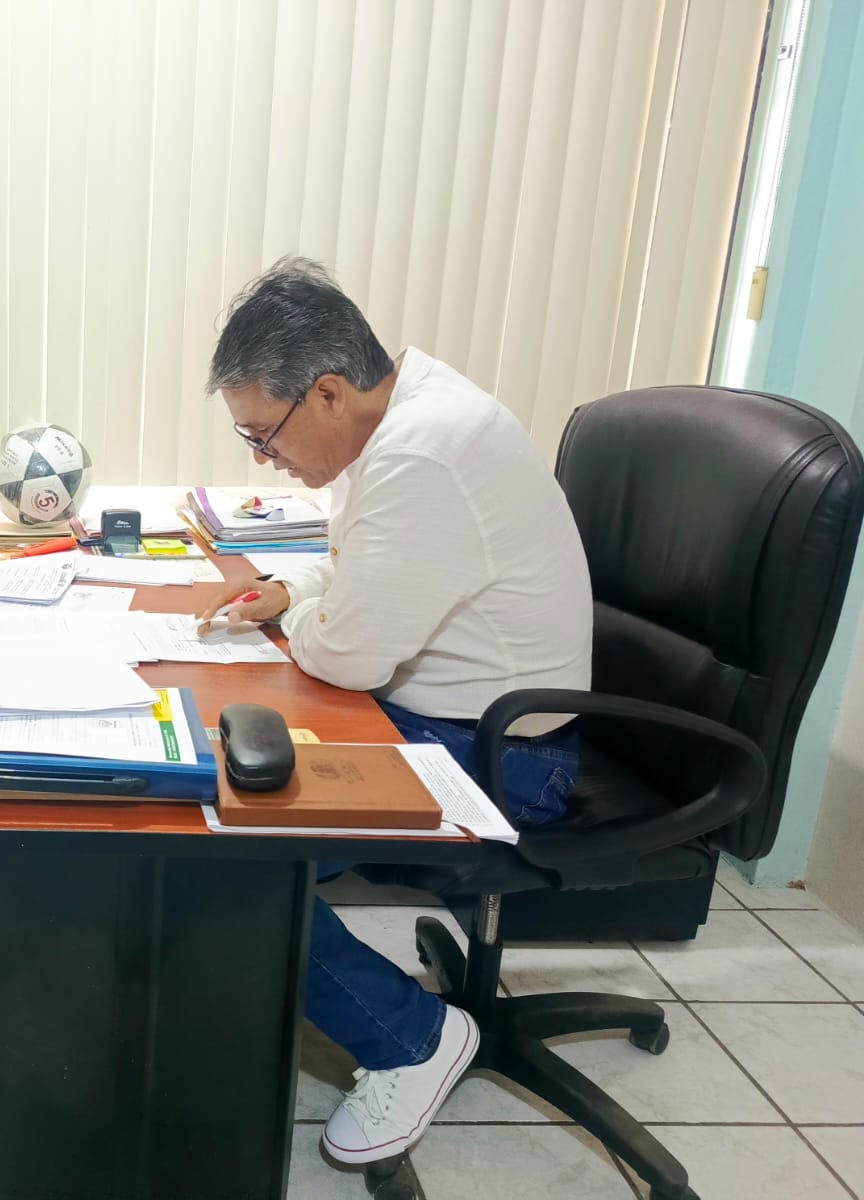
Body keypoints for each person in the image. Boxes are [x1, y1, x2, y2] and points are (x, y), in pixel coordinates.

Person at [194, 258, 593, 1164]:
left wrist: (305, 617)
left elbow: (349, 653)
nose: (263, 459)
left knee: (233, 856)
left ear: (328, 392)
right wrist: (289, 589)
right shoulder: (407, 412)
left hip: (501, 758)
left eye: (263, 435)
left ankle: (414, 1041)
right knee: (229, 788)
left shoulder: (422, 454)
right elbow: (364, 568)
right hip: (460, 716)